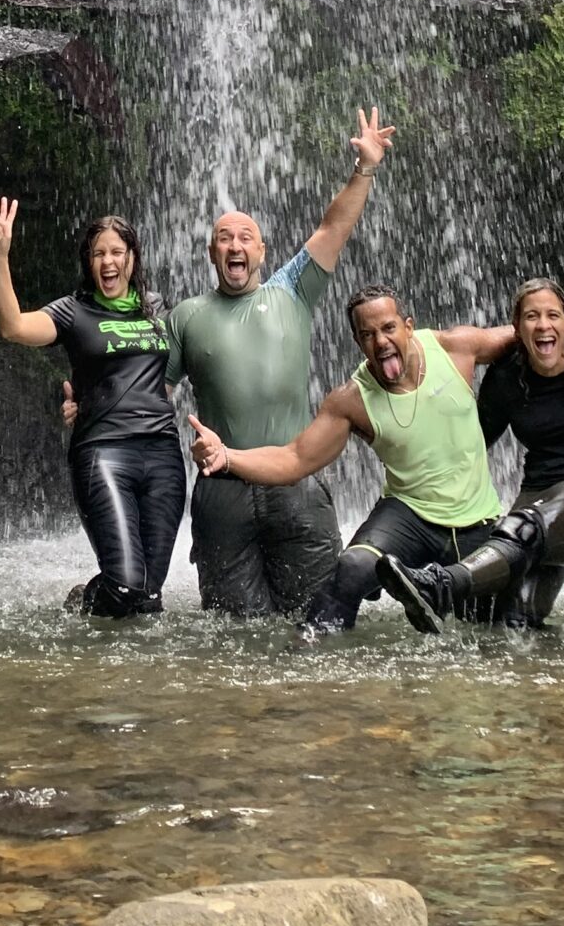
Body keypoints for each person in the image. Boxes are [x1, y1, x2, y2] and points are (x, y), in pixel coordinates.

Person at [167, 106, 396, 615]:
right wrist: (96, 408)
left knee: (320, 619)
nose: (235, 245)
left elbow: (334, 226)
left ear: (263, 252)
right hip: (221, 490)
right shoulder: (185, 316)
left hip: (295, 484)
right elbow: (151, 394)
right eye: (224, 238)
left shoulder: (293, 289)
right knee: (232, 634)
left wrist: (365, 168)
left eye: (245, 237)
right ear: (210, 253)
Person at [188, 284, 516, 635]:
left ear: (408, 325)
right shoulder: (351, 400)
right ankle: (309, 652)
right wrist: (226, 457)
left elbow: (533, 330)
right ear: (358, 343)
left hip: (478, 519)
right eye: (368, 335)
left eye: (388, 328)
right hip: (409, 516)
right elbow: (294, 459)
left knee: (491, 626)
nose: (381, 342)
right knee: (352, 568)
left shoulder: (455, 348)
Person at [379, 275, 564, 632]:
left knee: (520, 529)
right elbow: (471, 444)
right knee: (503, 614)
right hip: (540, 494)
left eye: (552, 316)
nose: (543, 325)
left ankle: (440, 587)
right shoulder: (507, 379)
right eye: (531, 317)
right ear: (516, 328)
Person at [0, 199, 184, 615]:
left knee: (150, 595)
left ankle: (126, 675)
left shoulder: (157, 307)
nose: (108, 261)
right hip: (104, 451)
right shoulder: (73, 311)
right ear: (88, 262)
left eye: (116, 252)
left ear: (132, 257)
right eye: (99, 254)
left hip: (164, 453)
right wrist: (0, 259)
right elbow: (14, 327)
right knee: (128, 586)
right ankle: (84, 600)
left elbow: (175, 369)